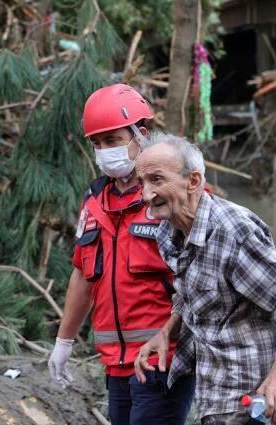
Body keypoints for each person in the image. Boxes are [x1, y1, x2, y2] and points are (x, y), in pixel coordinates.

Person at [133, 132, 276, 425]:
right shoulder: (168, 232)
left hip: (251, 396)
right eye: (141, 183)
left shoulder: (233, 232)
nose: (146, 195)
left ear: (193, 182)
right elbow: (195, 292)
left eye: (157, 180)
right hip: (212, 391)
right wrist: (167, 330)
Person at [47, 84, 194, 425]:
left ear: (140, 136)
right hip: (115, 362)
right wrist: (64, 340)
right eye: (96, 144)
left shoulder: (171, 197)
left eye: (112, 140)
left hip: (164, 358)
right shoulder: (95, 202)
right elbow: (83, 275)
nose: (103, 151)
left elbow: (202, 278)